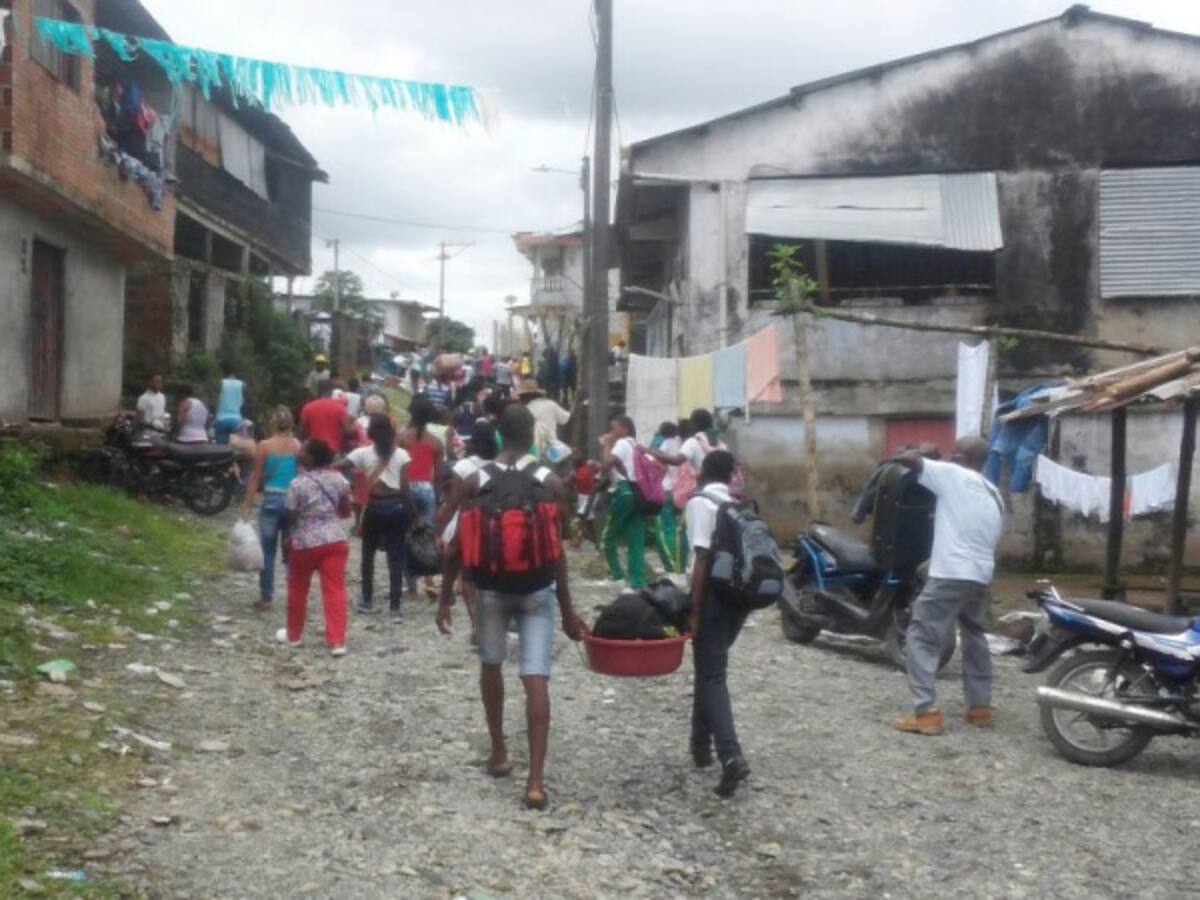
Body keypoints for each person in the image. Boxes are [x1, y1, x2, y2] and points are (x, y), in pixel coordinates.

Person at [436, 403, 585, 810]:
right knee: (536, 677)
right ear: (533, 435)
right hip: (538, 589)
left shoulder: (474, 479)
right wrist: (569, 613)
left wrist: (447, 596)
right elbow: (559, 553)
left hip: (489, 589)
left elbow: (457, 545)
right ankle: (536, 782)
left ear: (499, 435)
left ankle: (500, 754)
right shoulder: (550, 482)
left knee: (491, 665)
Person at [890, 437, 1004, 736]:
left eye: (954, 454)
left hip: (951, 571)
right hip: (980, 574)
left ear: (961, 457)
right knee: (974, 634)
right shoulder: (993, 491)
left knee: (921, 635)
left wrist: (917, 452)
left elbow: (908, 460)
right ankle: (979, 708)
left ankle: (925, 712)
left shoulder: (953, 474)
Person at [686, 449, 752, 797]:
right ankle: (700, 746)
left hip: (711, 597)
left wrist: (693, 611)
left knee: (712, 674)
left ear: (701, 473)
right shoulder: (737, 505)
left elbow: (701, 557)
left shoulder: (700, 503)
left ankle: (730, 756)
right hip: (738, 601)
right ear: (730, 476)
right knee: (708, 669)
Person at [279, 439, 351, 657]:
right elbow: (345, 510)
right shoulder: (339, 479)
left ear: (311, 457)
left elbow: (290, 514)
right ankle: (337, 641)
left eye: (304, 451)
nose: (299, 453)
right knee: (334, 589)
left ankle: (294, 636)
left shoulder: (297, 484)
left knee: (298, 588)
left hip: (304, 542)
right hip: (335, 540)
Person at [344, 415, 411, 623]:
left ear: (371, 432)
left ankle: (366, 600)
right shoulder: (402, 454)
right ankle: (395, 609)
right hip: (398, 507)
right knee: (396, 558)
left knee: (368, 555)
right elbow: (406, 488)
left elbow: (338, 465)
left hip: (374, 508)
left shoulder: (362, 453)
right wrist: (415, 516)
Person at [436, 420, 499, 641]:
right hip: (496, 525)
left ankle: (476, 623)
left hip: (468, 524)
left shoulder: (462, 467)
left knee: (468, 579)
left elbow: (452, 503)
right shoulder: (500, 464)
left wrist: (438, 530)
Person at [241, 407, 301, 610]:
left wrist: (247, 506)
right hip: (292, 501)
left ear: (273, 423)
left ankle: (266, 596)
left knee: (267, 551)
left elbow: (255, 478)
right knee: (291, 552)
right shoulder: (297, 446)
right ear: (292, 424)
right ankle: (295, 596)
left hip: (271, 500)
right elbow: (300, 476)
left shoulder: (264, 446)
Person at [400, 395, 445, 601]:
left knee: (407, 537)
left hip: (406, 488)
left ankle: (411, 588)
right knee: (426, 536)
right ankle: (430, 579)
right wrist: (438, 500)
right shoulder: (436, 442)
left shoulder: (401, 438)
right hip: (427, 489)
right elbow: (439, 475)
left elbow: (396, 467)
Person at [595, 415, 647, 589]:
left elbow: (606, 464)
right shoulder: (636, 446)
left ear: (625, 429)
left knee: (608, 538)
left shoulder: (622, 444)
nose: (611, 432)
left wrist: (607, 444)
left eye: (614, 428)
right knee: (636, 541)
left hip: (624, 492)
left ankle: (616, 575)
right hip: (639, 494)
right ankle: (637, 581)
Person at [653, 421, 686, 573]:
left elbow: (657, 465)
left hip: (666, 490)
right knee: (681, 530)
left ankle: (672, 566)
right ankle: (683, 565)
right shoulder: (683, 443)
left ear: (662, 433)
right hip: (682, 492)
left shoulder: (664, 445)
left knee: (666, 529)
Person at [519, 379, 570, 459]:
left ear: (527, 396)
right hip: (553, 452)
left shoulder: (524, 411)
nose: (520, 398)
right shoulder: (551, 404)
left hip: (533, 454)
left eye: (521, 396)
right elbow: (566, 419)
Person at [300, 381, 353, 454]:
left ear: (318, 390)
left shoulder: (307, 407)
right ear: (332, 392)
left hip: (313, 451)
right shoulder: (340, 408)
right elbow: (348, 431)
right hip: (333, 451)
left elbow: (303, 432)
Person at [214, 367, 246, 445]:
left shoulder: (221, 383)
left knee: (221, 448)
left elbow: (217, 401)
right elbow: (243, 402)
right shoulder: (242, 384)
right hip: (236, 419)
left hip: (221, 419)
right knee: (237, 448)